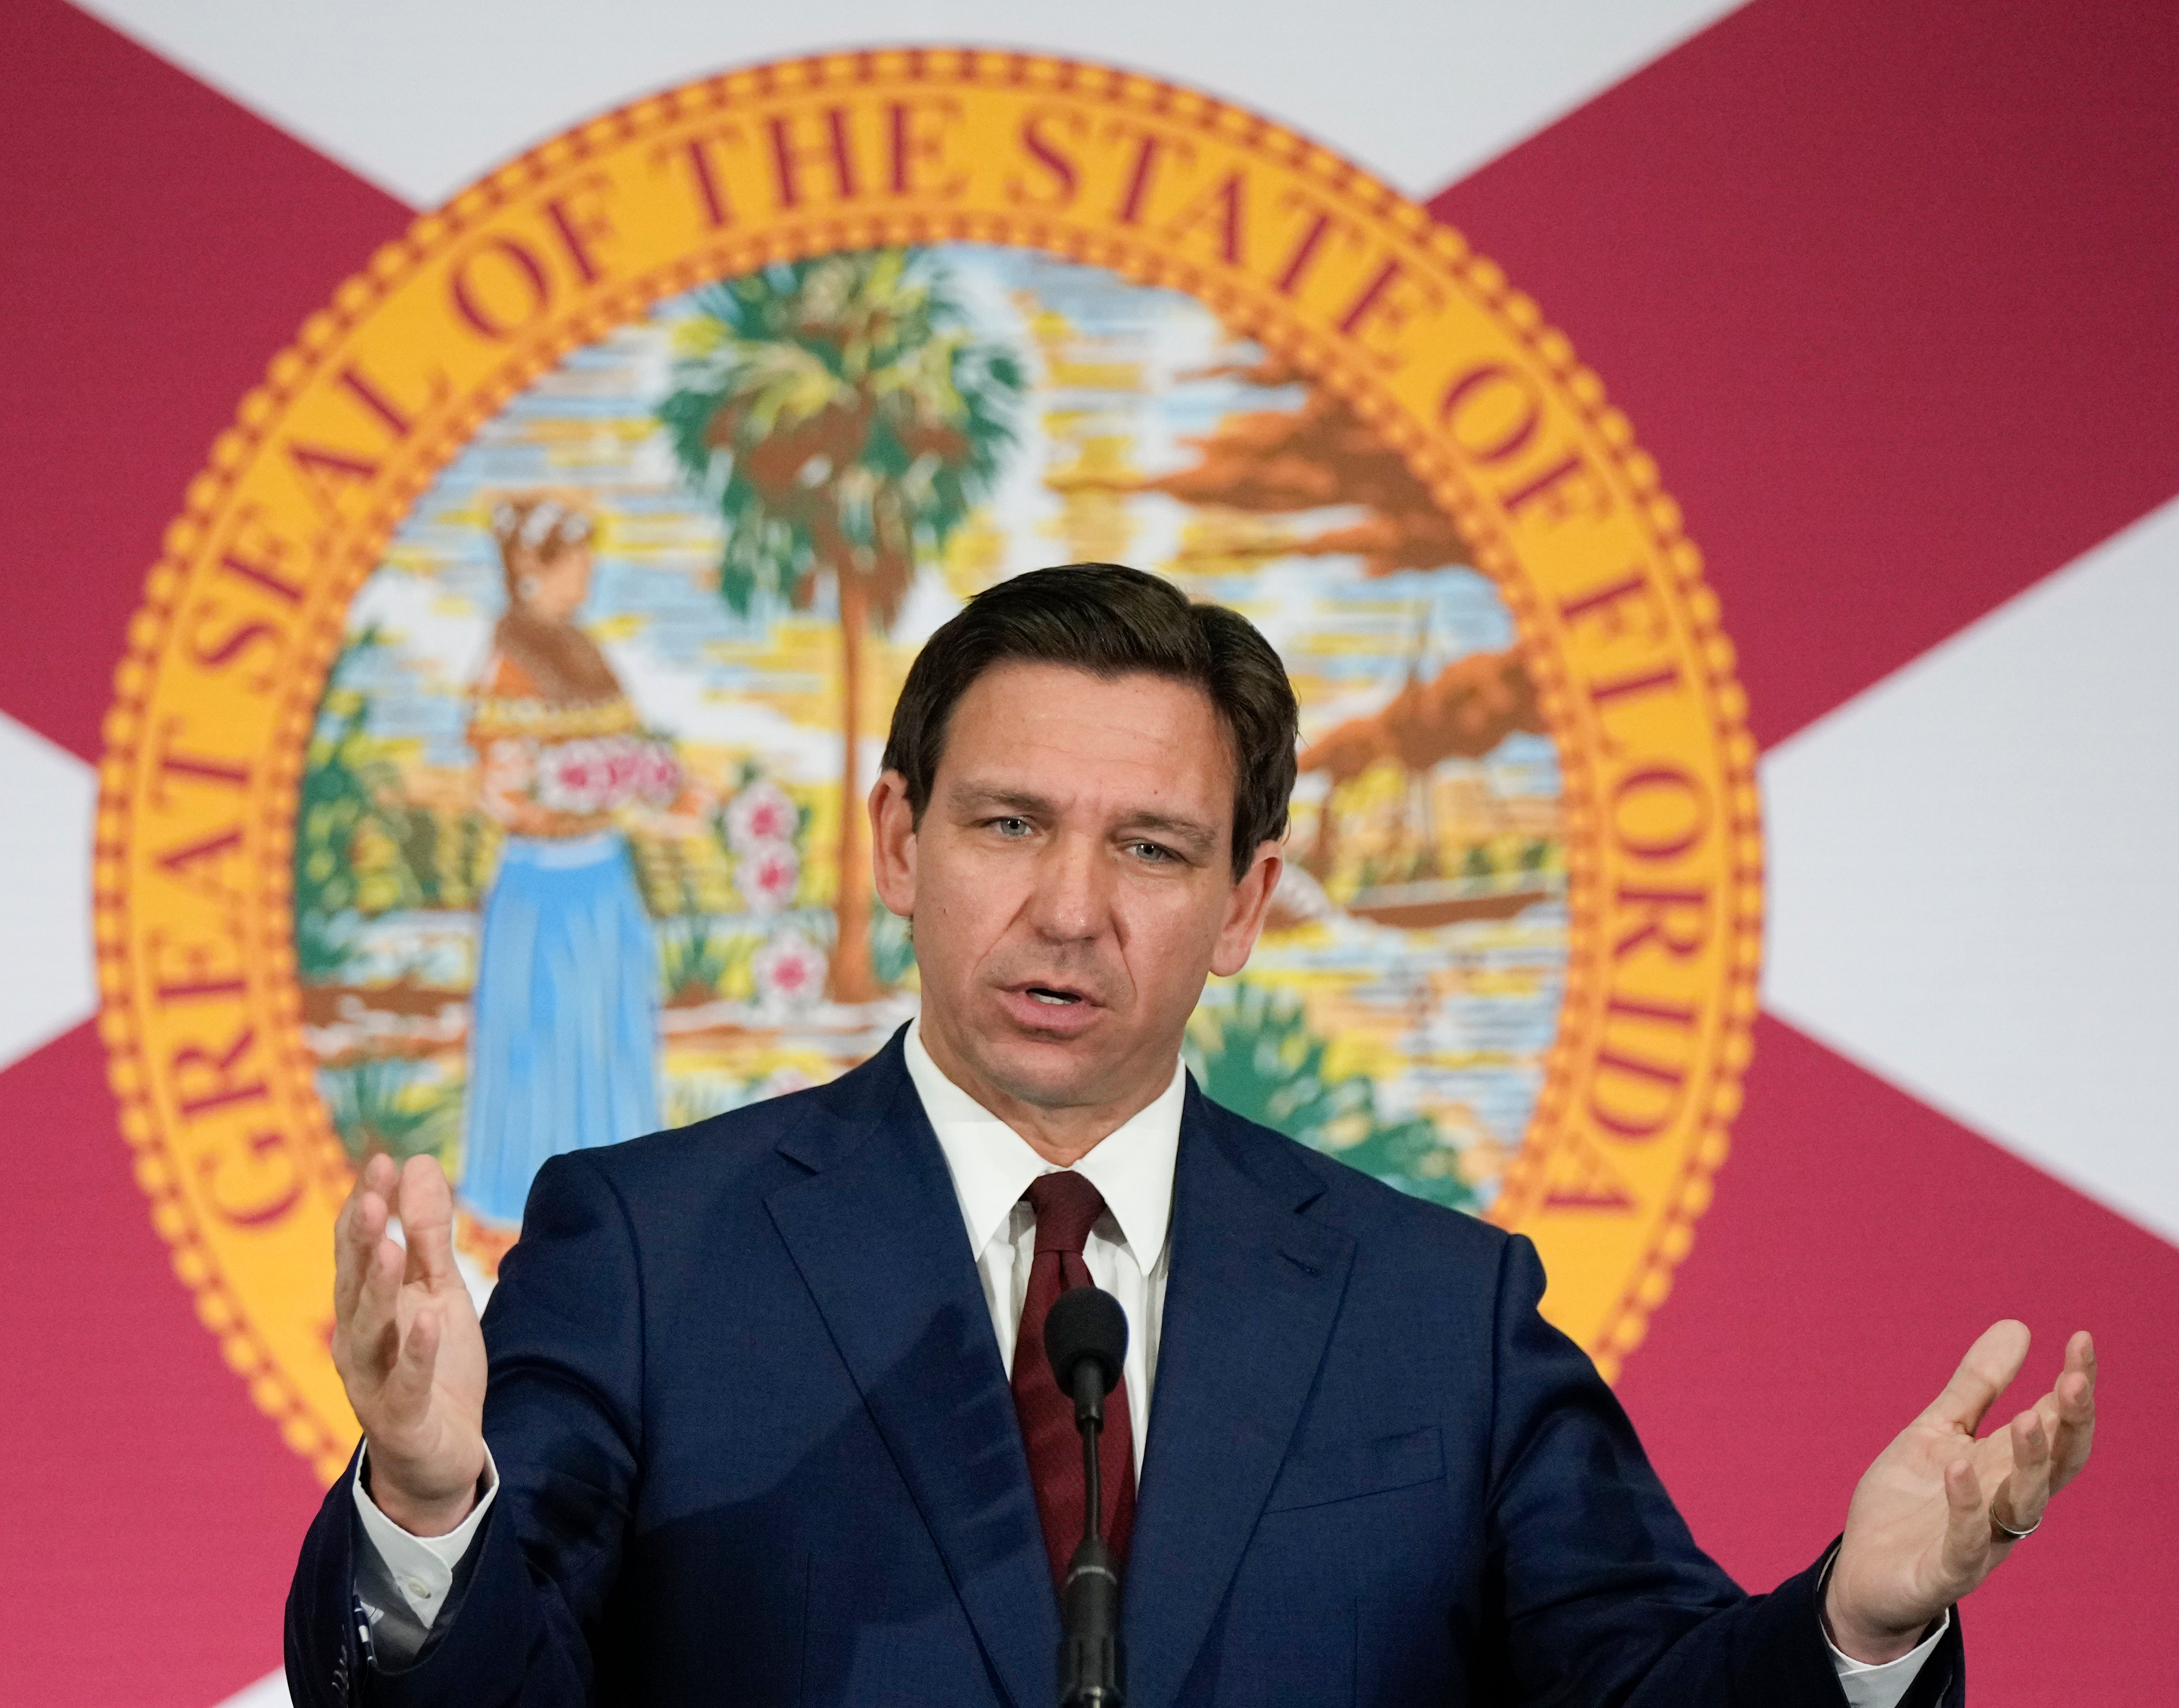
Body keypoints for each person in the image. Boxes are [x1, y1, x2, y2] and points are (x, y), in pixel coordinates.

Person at [293, 564, 2097, 1707]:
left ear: (1246, 904)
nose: (1072, 911)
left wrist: (1859, 1631)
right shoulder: (652, 1250)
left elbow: (1651, 1694)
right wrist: (434, 1499)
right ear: (893, 843)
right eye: (1007, 826)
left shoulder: (1435, 1312)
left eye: (1150, 851)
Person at [453, 495, 679, 1246]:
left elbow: (632, 753)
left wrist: (652, 789)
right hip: (543, 888)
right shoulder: (508, 659)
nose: (586, 574)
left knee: (605, 1042)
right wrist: (571, 797)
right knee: (541, 1047)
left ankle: (618, 1219)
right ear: (531, 569)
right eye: (573, 560)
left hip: (602, 884)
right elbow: (504, 786)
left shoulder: (585, 651)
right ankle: (516, 1225)